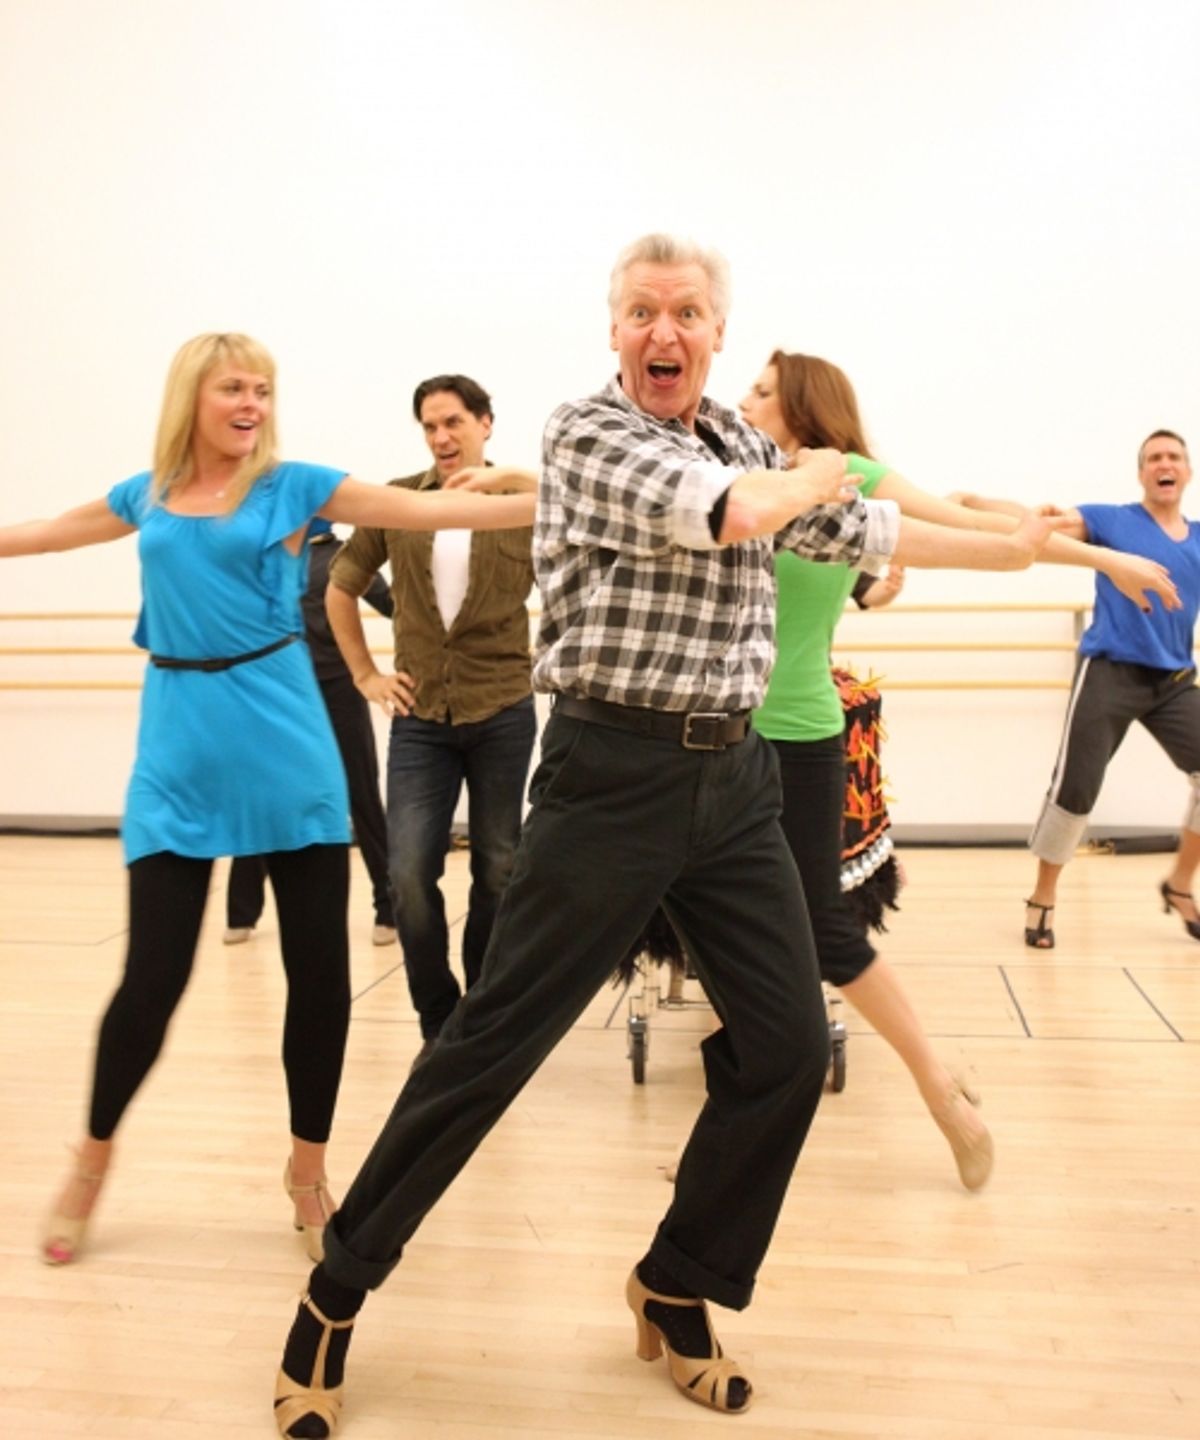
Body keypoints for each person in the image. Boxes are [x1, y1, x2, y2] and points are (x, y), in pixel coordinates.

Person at [269, 235, 1068, 1438]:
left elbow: (865, 541)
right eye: (643, 310)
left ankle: (678, 1280)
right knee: (490, 1047)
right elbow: (736, 515)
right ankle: (335, 1289)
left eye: (688, 312)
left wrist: (1006, 547)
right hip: (610, 775)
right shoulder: (592, 437)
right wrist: (820, 477)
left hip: (735, 777)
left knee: (791, 1046)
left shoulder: (745, 441)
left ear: (715, 334)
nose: (665, 331)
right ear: (614, 332)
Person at [0, 332, 534, 1269]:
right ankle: (90, 1159)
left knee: (318, 976)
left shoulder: (297, 486)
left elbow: (447, 510)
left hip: (287, 746)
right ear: (193, 398)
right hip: (178, 747)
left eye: (263, 388)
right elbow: (42, 531)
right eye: (233, 388)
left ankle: (306, 1168)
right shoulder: (148, 493)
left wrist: (535, 484)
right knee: (151, 982)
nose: (252, 402)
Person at [739, 352, 1181, 1185]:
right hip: (724, 736)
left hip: (797, 734)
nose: (744, 400)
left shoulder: (855, 476)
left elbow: (976, 532)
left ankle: (943, 1094)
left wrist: (1109, 563)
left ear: (801, 406)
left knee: (825, 929)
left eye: (761, 390)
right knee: (727, 917)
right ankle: (743, 1104)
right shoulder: (752, 478)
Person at [325, 375, 537, 1067]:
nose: (442, 437)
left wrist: (512, 477)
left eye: (453, 422)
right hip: (421, 718)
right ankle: (437, 1017)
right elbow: (342, 585)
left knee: (501, 869)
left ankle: (482, 1011)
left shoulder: (523, 505)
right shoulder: (399, 500)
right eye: (429, 426)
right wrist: (364, 675)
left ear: (485, 423)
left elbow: (584, 511)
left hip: (503, 707)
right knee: (410, 875)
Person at [1004, 430, 1200, 947]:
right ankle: (1043, 895)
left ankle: (1180, 885)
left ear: (1187, 472)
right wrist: (987, 507)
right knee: (1076, 789)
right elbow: (1044, 527)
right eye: (1154, 457)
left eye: (1174, 457)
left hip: (1175, 680)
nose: (1164, 464)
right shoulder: (1112, 519)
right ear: (1142, 474)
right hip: (1109, 672)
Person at [224, 517, 397, 947]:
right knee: (272, 795)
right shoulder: (273, 559)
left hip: (333, 688)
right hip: (284, 695)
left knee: (355, 794)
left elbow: (396, 604)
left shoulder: (342, 557)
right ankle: (241, 912)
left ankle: (389, 908)